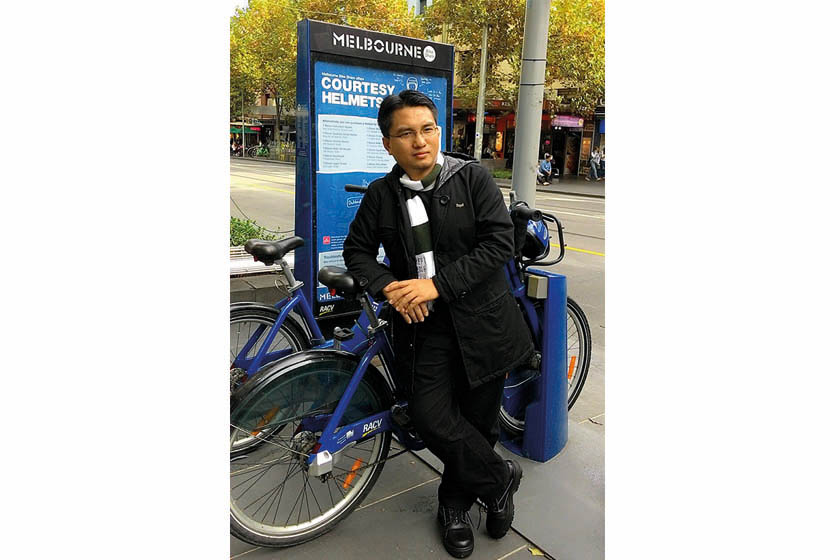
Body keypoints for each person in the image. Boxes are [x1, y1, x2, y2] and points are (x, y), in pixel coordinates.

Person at [343, 90, 532, 559]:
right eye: (405, 133)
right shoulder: (381, 195)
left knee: (477, 423)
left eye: (427, 129)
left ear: (439, 132)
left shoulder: (473, 179)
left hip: (484, 326)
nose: (420, 142)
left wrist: (436, 286)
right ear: (388, 143)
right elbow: (357, 253)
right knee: (431, 418)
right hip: (423, 328)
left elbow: (498, 244)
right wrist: (390, 287)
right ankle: (499, 479)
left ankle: (453, 506)